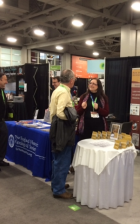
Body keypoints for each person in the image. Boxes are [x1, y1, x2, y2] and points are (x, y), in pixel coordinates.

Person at [49, 69, 76, 199]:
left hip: (55, 127)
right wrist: (72, 118)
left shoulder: (57, 90)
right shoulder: (64, 92)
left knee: (57, 159)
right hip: (62, 129)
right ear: (71, 80)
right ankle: (59, 190)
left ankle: (56, 184)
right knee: (63, 160)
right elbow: (60, 112)